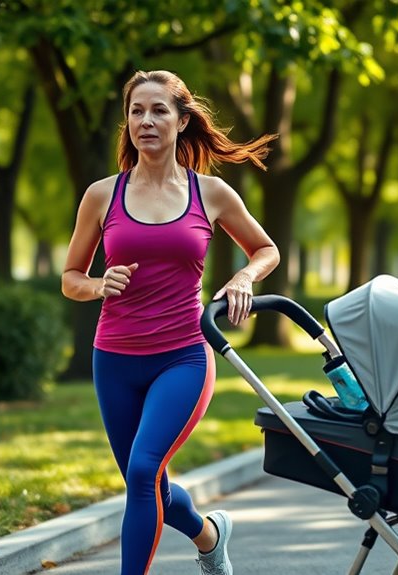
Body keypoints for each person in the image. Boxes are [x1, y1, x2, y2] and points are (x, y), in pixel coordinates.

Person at [60, 69, 280, 575]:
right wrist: (98, 285)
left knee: (142, 471)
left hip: (183, 356)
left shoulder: (212, 193)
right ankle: (210, 536)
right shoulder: (101, 195)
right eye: (136, 111)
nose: (146, 120)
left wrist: (244, 277)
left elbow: (266, 249)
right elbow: (71, 277)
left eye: (159, 110)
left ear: (182, 121)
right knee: (148, 482)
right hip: (114, 358)